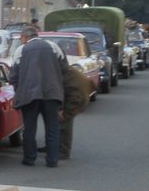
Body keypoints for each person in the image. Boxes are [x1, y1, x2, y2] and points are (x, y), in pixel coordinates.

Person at [10, 25, 67, 167]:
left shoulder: (21, 50)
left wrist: (19, 91)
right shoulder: (54, 47)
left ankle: (29, 159)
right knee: (52, 128)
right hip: (52, 94)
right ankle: (52, 160)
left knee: (29, 128)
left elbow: (14, 76)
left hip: (29, 95)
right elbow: (65, 70)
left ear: (24, 37)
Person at [49, 64, 95, 160]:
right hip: (79, 93)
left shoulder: (55, 72)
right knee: (60, 121)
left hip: (76, 97)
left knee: (64, 122)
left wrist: (61, 109)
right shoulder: (60, 68)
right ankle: (55, 147)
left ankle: (64, 152)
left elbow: (60, 90)